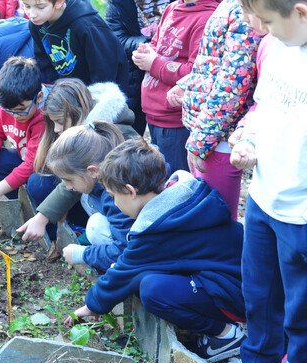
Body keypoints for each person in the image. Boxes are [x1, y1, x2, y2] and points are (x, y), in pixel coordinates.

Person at [65, 139, 247, 363]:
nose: (114, 203)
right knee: (143, 275)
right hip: (241, 281)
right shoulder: (183, 196)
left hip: (235, 297)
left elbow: (124, 272)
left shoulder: (155, 228)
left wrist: (91, 304)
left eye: (113, 197)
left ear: (130, 191)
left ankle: (225, 335)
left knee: (153, 290)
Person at [224, 0, 307, 363]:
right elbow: (265, 107)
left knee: (301, 313)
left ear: (301, 12)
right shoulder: (278, 48)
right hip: (263, 196)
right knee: (258, 293)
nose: (261, 28)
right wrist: (250, 138)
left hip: (302, 213)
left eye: (270, 21)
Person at [166, 0, 262, 220]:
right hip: (210, 132)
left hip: (219, 137)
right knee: (205, 209)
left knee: (216, 216)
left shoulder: (242, 11)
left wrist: (201, 140)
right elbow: (214, 63)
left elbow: (234, 83)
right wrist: (187, 83)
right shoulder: (230, 4)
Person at [20, 79, 136, 250]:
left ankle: (98, 241)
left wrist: (43, 216)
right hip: (97, 200)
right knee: (39, 183)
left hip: (120, 208)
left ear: (77, 113)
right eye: (53, 123)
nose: (56, 129)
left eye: (60, 122)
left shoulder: (109, 136)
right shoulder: (83, 131)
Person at [24, 121, 134, 273]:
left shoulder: (115, 198)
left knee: (96, 224)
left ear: (93, 171)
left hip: (132, 255)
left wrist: (82, 254)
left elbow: (126, 250)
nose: (67, 186)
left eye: (69, 180)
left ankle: (108, 268)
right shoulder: (99, 181)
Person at [132, 0, 218, 173]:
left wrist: (154, 64)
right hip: (153, 112)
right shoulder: (172, 8)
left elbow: (196, 73)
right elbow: (158, 45)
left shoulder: (207, 18)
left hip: (175, 121)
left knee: (176, 180)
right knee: (159, 176)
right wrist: (146, 52)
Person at [0, 57, 48, 211]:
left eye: (21, 110)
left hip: (45, 172)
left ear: (38, 97)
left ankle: (47, 218)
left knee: (36, 183)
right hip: (25, 161)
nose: (15, 115)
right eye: (8, 110)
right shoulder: (8, 109)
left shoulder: (42, 120)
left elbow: (31, 166)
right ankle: (24, 206)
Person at [23, 0, 133, 103]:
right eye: (27, 6)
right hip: (70, 95)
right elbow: (45, 62)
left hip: (103, 94)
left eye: (40, 7)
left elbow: (104, 70)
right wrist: (58, 90)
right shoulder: (36, 24)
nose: (32, 14)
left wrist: (90, 101)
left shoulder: (86, 25)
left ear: (59, 2)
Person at [105, 0, 173, 135]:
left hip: (170, 73)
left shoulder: (178, 3)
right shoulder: (119, 3)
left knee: (167, 133)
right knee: (132, 130)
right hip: (133, 72)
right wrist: (147, 47)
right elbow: (115, 38)